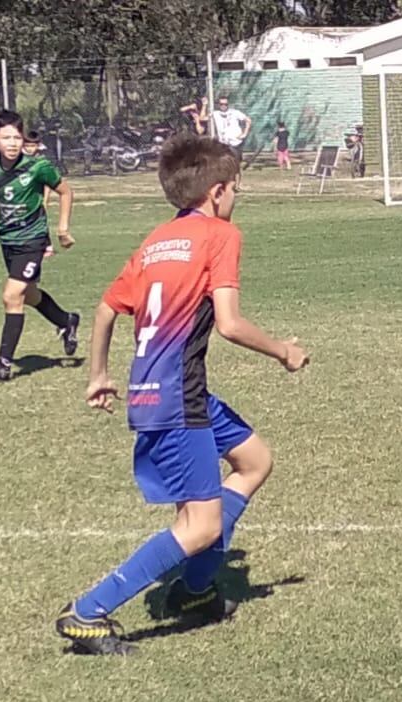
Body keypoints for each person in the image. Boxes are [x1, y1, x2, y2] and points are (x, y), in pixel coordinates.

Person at [54, 136, 309, 656]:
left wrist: (98, 374)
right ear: (217, 192)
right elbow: (230, 324)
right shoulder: (220, 234)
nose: (237, 197)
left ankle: (194, 592)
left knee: (254, 460)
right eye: (237, 188)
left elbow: (105, 309)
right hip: (177, 398)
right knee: (198, 526)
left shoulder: (156, 240)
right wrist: (283, 350)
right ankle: (89, 612)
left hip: (169, 390)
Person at [0, 110, 79, 384]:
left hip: (33, 240)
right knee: (28, 295)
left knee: (11, 295)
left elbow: (65, 191)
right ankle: (66, 320)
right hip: (7, 240)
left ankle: (4, 363)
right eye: (6, 137)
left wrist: (63, 228)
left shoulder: (37, 167)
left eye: (17, 137)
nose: (12, 143)